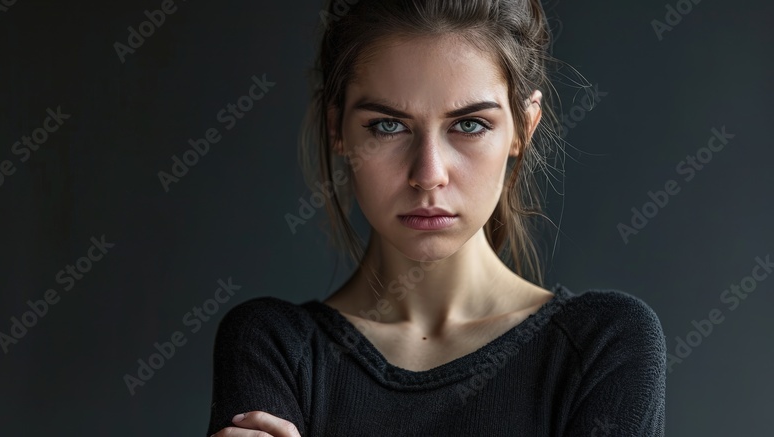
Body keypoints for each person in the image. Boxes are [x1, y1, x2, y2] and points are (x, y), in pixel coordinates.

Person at [207, 0, 666, 435]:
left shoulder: (604, 345)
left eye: (469, 125)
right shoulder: (274, 348)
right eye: (388, 125)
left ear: (524, 128)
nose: (428, 175)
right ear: (337, 129)